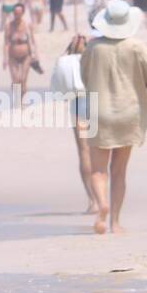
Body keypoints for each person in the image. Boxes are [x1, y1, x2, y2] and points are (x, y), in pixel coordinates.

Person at [81, 0, 147, 234]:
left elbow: (84, 77)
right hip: (129, 112)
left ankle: (102, 206)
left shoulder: (93, 48)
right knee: (119, 171)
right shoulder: (135, 46)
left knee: (99, 170)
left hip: (100, 112)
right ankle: (116, 222)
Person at [50, 34, 98, 214]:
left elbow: (57, 87)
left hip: (78, 103)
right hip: (96, 100)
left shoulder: (64, 61)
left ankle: (93, 200)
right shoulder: (93, 55)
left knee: (84, 152)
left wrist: (72, 45)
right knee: (97, 151)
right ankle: (100, 196)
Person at [3, 4, 37, 100]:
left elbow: (33, 41)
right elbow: (6, 43)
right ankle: (17, 100)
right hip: (12, 56)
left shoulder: (27, 25)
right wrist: (5, 58)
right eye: (15, 13)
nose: (17, 15)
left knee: (23, 79)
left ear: (22, 13)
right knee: (16, 79)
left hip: (26, 56)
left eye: (19, 13)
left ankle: (21, 101)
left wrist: (35, 55)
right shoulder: (9, 26)